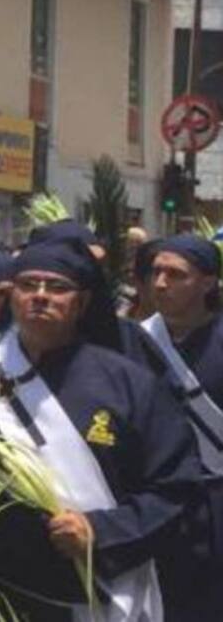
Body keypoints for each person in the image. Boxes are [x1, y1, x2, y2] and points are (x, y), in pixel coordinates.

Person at [0, 238, 203, 621]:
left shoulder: (129, 386)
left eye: (57, 287)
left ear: (80, 303)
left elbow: (176, 487)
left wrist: (100, 531)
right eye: (28, 285)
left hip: (98, 594)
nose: (40, 297)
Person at [136, 235, 223, 617]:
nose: (160, 284)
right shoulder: (132, 342)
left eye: (176, 274)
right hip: (156, 507)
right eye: (156, 272)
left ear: (208, 283)